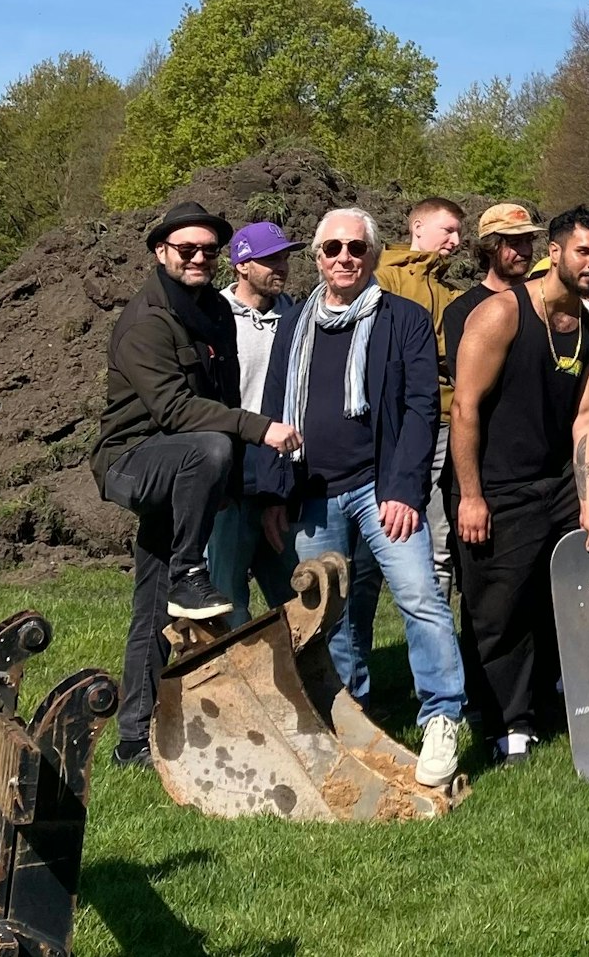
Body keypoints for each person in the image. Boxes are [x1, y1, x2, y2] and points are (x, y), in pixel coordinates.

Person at [250, 208, 466, 788]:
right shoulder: (296, 323)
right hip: (313, 494)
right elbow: (275, 404)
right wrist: (274, 491)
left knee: (420, 594)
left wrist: (404, 489)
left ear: (372, 255)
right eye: (331, 249)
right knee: (332, 617)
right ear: (317, 257)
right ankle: (353, 721)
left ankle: (442, 715)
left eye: (355, 248)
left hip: (381, 488)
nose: (343, 258)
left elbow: (422, 408)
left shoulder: (406, 319)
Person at [92, 202, 301, 768]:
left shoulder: (212, 311)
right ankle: (191, 571)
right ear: (162, 253)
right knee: (209, 445)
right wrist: (260, 432)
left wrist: (228, 481)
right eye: (187, 249)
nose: (199, 257)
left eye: (208, 249)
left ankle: (135, 738)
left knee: (151, 605)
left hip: (186, 472)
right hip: (131, 461)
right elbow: (177, 409)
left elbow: (224, 397)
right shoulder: (148, 322)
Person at [450, 206, 589, 766]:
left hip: (557, 481)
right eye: (584, 251)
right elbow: (465, 409)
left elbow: (588, 420)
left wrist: (587, 505)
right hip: (496, 482)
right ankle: (511, 723)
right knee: (500, 606)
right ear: (554, 253)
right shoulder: (501, 315)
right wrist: (471, 495)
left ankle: (587, 687)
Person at [208, 220, 305, 626]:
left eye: (284, 257)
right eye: (270, 259)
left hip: (285, 472)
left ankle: (301, 679)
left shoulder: (299, 319)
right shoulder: (213, 318)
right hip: (231, 473)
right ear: (241, 266)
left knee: (296, 594)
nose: (281, 267)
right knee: (227, 597)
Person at [375, 197, 464, 596]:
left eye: (459, 232)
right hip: (400, 423)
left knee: (441, 538)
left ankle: (437, 638)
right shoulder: (382, 277)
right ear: (417, 227)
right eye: (448, 230)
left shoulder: (449, 290)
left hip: (448, 420)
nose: (456, 240)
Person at [441, 203, 541, 375]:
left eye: (528, 241)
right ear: (490, 248)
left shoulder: (543, 299)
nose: (525, 251)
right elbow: (464, 379)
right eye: (515, 243)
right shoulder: (462, 311)